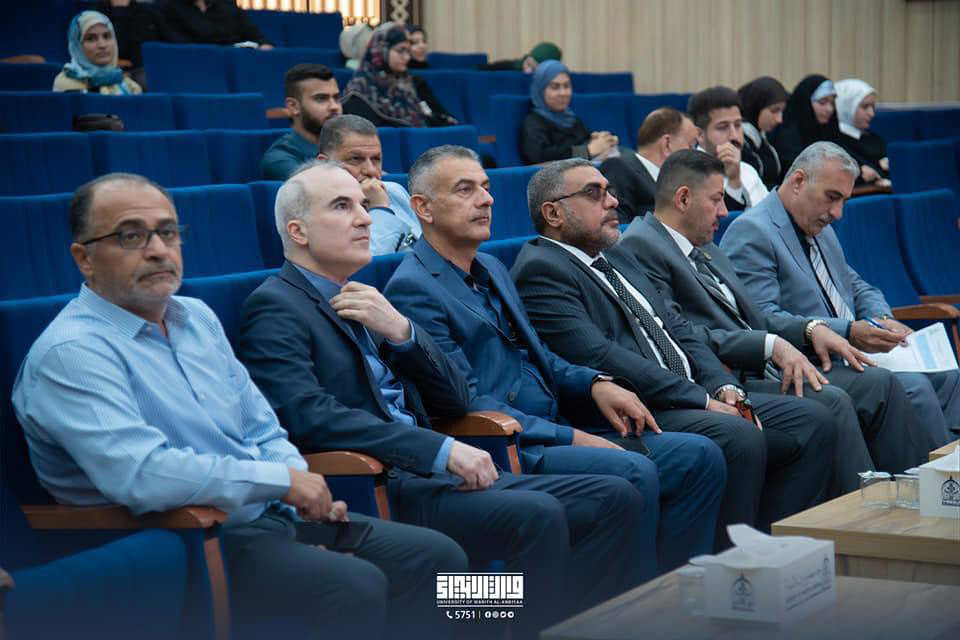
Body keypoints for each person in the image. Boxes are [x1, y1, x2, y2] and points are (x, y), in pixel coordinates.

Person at [10, 172, 468, 639]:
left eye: (168, 232)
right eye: (131, 236)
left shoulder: (196, 318)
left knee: (447, 563)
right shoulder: (73, 353)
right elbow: (143, 474)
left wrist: (302, 488)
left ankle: (505, 618)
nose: (158, 250)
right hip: (193, 537)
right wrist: (285, 481)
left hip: (282, 512)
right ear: (84, 258)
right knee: (365, 582)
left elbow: (261, 427)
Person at [233, 160, 649, 637]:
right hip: (384, 480)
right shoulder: (276, 306)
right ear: (298, 231)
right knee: (535, 518)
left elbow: (454, 398)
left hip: (428, 467)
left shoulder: (365, 297)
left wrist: (403, 333)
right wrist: (438, 450)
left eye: (364, 206)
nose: (366, 218)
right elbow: (311, 416)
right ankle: (510, 625)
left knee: (613, 496)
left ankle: (549, 624)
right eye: (343, 207)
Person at [384, 145, 726, 571]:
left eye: (486, 187)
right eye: (465, 189)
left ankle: (680, 585)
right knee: (632, 473)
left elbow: (538, 355)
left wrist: (594, 383)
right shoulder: (414, 288)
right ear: (423, 208)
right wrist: (572, 438)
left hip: (557, 419)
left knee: (699, 457)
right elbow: (466, 402)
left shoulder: (489, 266)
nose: (486, 199)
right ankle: (628, 602)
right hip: (509, 444)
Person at [509, 158, 838, 544]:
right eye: (594, 193)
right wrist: (702, 400)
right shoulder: (541, 270)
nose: (612, 201)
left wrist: (721, 387)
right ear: (553, 213)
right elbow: (601, 356)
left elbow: (676, 327)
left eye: (610, 191)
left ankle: (781, 541)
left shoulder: (615, 254)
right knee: (738, 435)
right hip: (641, 406)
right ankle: (731, 557)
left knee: (814, 419)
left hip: (687, 391)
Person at [620, 149, 925, 492]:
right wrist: (768, 345)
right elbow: (677, 334)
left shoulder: (705, 246)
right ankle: (864, 508)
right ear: (683, 198)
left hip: (768, 366)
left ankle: (919, 493)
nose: (724, 211)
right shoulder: (641, 247)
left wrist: (811, 329)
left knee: (878, 383)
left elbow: (756, 317)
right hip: (728, 377)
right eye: (717, 199)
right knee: (832, 401)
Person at [721, 141, 959, 451]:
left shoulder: (819, 225)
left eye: (844, 200)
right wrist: (847, 331)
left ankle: (949, 464)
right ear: (798, 181)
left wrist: (881, 319)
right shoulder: (752, 232)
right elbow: (762, 319)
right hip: (806, 362)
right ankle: (935, 474)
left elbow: (857, 286)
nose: (838, 213)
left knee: (949, 376)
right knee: (914, 387)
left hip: (852, 354)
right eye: (832, 197)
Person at [316, 115, 419, 255]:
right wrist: (380, 209)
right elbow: (367, 263)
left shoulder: (393, 191)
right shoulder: (316, 211)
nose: (370, 170)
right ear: (324, 164)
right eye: (355, 159)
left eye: (376, 159)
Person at [341, 25, 457, 127]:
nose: (407, 57)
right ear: (382, 50)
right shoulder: (360, 88)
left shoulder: (411, 82)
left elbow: (436, 116)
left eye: (408, 51)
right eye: (400, 51)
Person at [600, 107, 699, 223]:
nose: (694, 154)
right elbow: (618, 224)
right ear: (667, 144)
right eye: (691, 146)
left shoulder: (679, 183)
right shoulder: (619, 168)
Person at [520, 60, 619, 164]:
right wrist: (587, 151)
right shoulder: (534, 122)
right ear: (540, 90)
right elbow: (539, 156)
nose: (563, 93)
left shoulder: (572, 119)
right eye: (555, 87)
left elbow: (584, 140)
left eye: (566, 86)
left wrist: (596, 139)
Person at [687, 86, 767, 211]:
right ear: (700, 135)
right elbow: (720, 221)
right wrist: (733, 182)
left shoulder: (748, 170)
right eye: (723, 127)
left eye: (738, 125)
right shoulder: (687, 174)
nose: (734, 135)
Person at [260, 64, 344, 180]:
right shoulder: (279, 159)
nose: (334, 106)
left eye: (336, 98)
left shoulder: (353, 146)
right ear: (293, 106)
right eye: (321, 98)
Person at [53, 10, 142, 94]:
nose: (102, 45)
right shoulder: (66, 85)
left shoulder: (131, 87)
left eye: (106, 36)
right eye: (91, 39)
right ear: (77, 46)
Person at [772, 75, 839, 178]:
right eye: (822, 102)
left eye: (832, 103)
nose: (829, 109)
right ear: (805, 102)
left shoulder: (830, 130)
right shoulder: (787, 137)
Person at [835, 78, 891, 187]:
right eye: (865, 107)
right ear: (846, 106)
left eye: (873, 107)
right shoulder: (837, 141)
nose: (871, 113)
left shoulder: (874, 138)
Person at [737, 76, 790, 190]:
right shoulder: (739, 142)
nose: (779, 119)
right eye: (774, 111)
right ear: (756, 107)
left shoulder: (763, 137)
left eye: (781, 111)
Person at [162, 0, 272, 48]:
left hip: (235, 64)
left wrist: (264, 44)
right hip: (195, 67)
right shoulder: (167, 9)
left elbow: (255, 35)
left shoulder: (226, 5)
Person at [477, 41, 563, 72]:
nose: (528, 71)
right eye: (529, 64)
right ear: (527, 58)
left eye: (534, 70)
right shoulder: (509, 66)